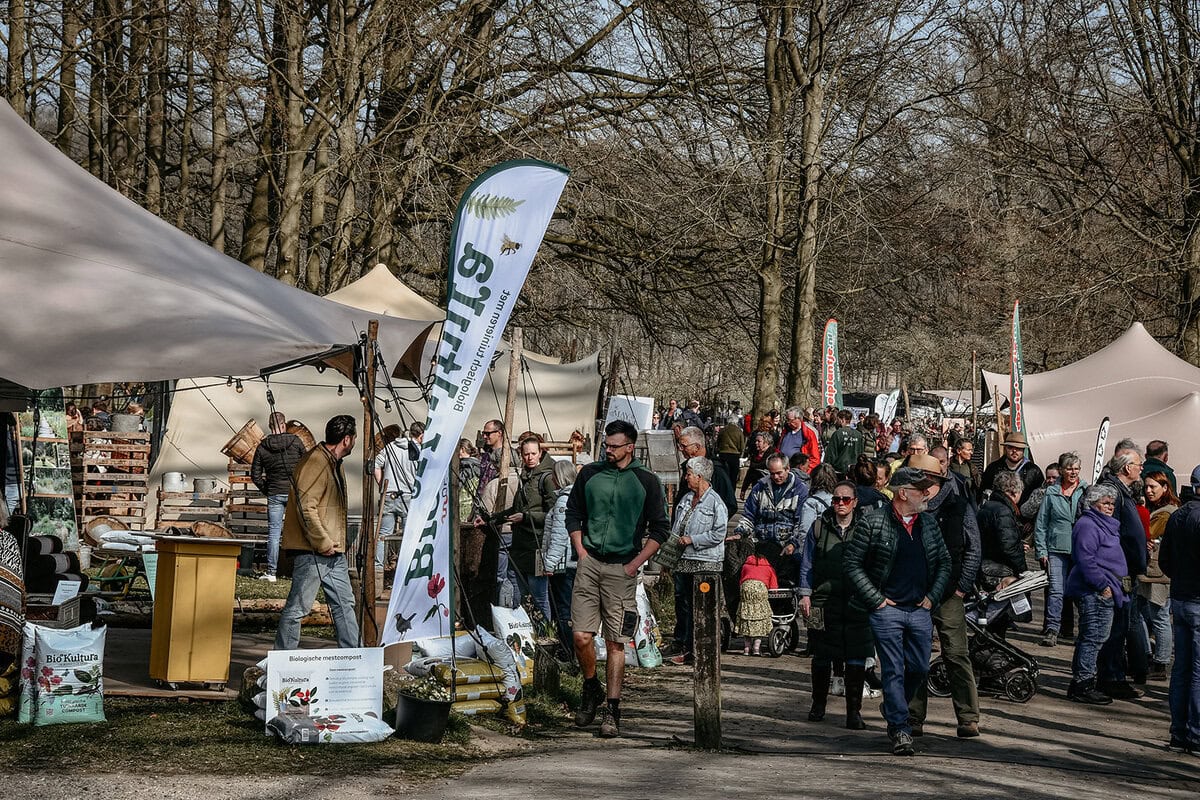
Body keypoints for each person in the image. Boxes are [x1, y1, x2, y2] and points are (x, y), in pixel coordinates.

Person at [565, 420, 669, 738]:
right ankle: (590, 686)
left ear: (630, 447)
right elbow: (573, 513)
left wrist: (635, 564)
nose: (608, 450)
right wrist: (581, 551)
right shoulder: (590, 474)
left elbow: (661, 528)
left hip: (622, 568)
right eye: (606, 445)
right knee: (581, 636)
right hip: (589, 563)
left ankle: (612, 709)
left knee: (615, 642)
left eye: (614, 446)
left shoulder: (646, 480)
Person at [843, 461, 951, 756]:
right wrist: (875, 599)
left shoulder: (929, 524)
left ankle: (894, 705)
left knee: (919, 668)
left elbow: (944, 562)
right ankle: (900, 729)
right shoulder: (873, 521)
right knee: (893, 669)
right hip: (887, 610)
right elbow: (851, 563)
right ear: (903, 493)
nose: (927, 494)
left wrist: (933, 596)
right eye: (921, 490)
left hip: (920, 609)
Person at [909, 449, 982, 738]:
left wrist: (962, 587)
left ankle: (968, 717)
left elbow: (973, 548)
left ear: (932, 480)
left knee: (956, 655)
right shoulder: (908, 507)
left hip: (950, 594)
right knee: (915, 656)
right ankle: (913, 717)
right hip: (915, 592)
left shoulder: (958, 506)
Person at [274, 415, 359, 651]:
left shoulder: (332, 462)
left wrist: (331, 543)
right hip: (313, 550)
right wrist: (322, 541)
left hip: (332, 549)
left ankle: (353, 656)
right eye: (354, 438)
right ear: (346, 439)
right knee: (298, 608)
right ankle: (283, 658)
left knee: (345, 604)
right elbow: (306, 507)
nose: (354, 442)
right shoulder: (316, 462)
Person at [799, 480, 873, 729]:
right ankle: (818, 704)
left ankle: (854, 712)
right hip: (822, 599)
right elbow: (807, 563)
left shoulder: (866, 528)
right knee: (820, 654)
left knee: (856, 656)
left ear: (855, 502)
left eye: (845, 499)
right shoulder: (819, 526)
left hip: (856, 600)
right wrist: (805, 594)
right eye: (836, 499)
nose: (840, 503)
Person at [1065, 484, 1129, 705]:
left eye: (1112, 503)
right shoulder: (1088, 525)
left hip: (1104, 588)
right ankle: (1083, 684)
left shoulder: (1104, 524)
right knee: (1092, 637)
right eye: (1105, 503)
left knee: (1094, 637)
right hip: (1094, 590)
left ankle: (1081, 681)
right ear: (1093, 504)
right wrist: (1102, 585)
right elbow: (1085, 559)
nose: (1110, 507)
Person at [1097, 444, 1150, 699]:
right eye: (1139, 465)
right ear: (1128, 468)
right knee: (1117, 625)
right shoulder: (1114, 492)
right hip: (1119, 571)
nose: (1142, 469)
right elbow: (1111, 533)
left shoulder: (1122, 491)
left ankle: (1114, 674)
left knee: (1122, 623)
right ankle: (1111, 677)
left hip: (1126, 568)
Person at [668, 457, 729, 665]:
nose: (686, 478)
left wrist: (693, 539)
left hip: (706, 562)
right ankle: (688, 649)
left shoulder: (715, 503)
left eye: (688, 474)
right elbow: (676, 527)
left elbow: (719, 533)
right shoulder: (686, 499)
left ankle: (702, 651)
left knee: (702, 608)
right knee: (685, 606)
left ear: (700, 476)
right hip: (683, 560)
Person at [1159, 464, 1200, 754]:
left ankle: (1179, 732)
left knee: (1182, 668)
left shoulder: (1178, 515)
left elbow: (1165, 560)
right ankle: (1195, 735)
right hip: (1195, 599)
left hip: (1181, 596)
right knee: (1196, 671)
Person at [501, 436, 557, 622]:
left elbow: (553, 514)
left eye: (533, 453)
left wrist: (526, 517)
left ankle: (544, 633)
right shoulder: (525, 476)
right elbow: (516, 509)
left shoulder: (547, 478)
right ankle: (527, 631)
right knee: (522, 597)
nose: (530, 457)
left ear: (540, 453)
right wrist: (491, 519)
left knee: (539, 597)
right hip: (520, 546)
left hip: (537, 546)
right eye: (526, 454)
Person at [1034, 452, 1087, 646]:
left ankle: (1085, 631)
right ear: (1062, 470)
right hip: (1056, 548)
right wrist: (1041, 550)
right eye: (1069, 468)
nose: (1073, 472)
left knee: (1080, 592)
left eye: (1076, 468)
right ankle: (1052, 629)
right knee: (1056, 590)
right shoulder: (1051, 492)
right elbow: (1041, 523)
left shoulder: (1086, 490)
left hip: (1080, 549)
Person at [250, 412, 308, 582]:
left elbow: (255, 475)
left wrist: (268, 489)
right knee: (299, 532)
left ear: (270, 426)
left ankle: (271, 572)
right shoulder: (296, 441)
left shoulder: (262, 447)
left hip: (274, 493)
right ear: (284, 425)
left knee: (274, 534)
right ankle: (299, 572)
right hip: (294, 492)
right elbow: (307, 465)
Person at [735, 453, 809, 584]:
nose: (775, 477)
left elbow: (801, 523)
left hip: (786, 548)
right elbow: (749, 515)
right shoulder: (759, 488)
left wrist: (793, 544)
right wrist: (740, 532)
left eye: (779, 473)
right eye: (772, 473)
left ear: (787, 469)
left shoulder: (800, 490)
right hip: (762, 545)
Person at [977, 470, 1029, 629]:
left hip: (987, 564)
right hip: (998, 568)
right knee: (998, 615)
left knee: (993, 615)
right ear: (1014, 491)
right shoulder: (1003, 511)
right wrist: (1023, 570)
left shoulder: (989, 505)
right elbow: (1008, 546)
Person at [1140, 470, 1178, 680]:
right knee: (1147, 615)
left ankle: (1160, 663)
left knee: (1160, 616)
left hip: (1159, 573)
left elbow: (1148, 534)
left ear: (1165, 488)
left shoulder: (1166, 513)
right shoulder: (1157, 509)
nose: (1148, 490)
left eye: (1153, 486)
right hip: (1153, 571)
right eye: (1146, 486)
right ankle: (1149, 655)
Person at [373, 421, 423, 576]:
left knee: (383, 534)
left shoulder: (390, 447)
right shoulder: (417, 450)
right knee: (408, 535)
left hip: (388, 494)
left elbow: (375, 465)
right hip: (408, 495)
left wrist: (381, 484)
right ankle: (405, 568)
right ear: (421, 436)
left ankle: (378, 568)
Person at [542, 459, 580, 657]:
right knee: (572, 608)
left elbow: (559, 536)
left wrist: (548, 564)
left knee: (563, 609)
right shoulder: (577, 497)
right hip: (574, 562)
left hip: (564, 564)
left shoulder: (563, 502)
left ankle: (567, 651)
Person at [678, 426, 737, 516]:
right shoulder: (686, 467)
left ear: (697, 447)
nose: (680, 449)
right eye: (680, 446)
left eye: (684, 446)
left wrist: (710, 521)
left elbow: (730, 504)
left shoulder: (717, 470)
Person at [979, 431, 1044, 508]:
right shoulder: (993, 468)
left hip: (1024, 514)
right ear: (1005, 448)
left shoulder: (1034, 471)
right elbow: (982, 494)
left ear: (1023, 450)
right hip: (997, 512)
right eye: (1010, 447)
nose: (1014, 451)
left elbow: (1040, 497)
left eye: (1018, 448)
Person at [736, 544, 778, 656]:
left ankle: (746, 648)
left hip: (746, 588)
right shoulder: (768, 568)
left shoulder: (746, 566)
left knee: (746, 618)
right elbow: (774, 588)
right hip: (760, 589)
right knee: (761, 618)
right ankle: (756, 648)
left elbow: (741, 580)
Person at [824, 410, 865, 476]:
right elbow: (861, 453)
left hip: (839, 471)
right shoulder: (858, 434)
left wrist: (826, 469)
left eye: (838, 419)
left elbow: (830, 455)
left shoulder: (837, 434)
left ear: (842, 420)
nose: (836, 422)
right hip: (855, 471)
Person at [742, 431, 777, 495]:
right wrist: (743, 489)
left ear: (766, 442)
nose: (756, 443)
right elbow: (750, 472)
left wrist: (753, 465)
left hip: (770, 487)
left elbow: (765, 464)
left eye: (759, 441)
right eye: (756, 441)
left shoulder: (773, 453)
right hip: (756, 486)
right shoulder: (755, 453)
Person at [715, 415, 745, 486]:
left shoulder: (723, 430)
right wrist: (740, 453)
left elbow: (718, 442)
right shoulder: (739, 431)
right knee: (733, 477)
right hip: (734, 455)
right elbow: (741, 445)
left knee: (723, 476)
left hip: (723, 454)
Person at [477, 419, 506, 490]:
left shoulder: (507, 454)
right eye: (484, 433)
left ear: (499, 433)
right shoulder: (485, 455)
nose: (484, 436)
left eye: (488, 433)